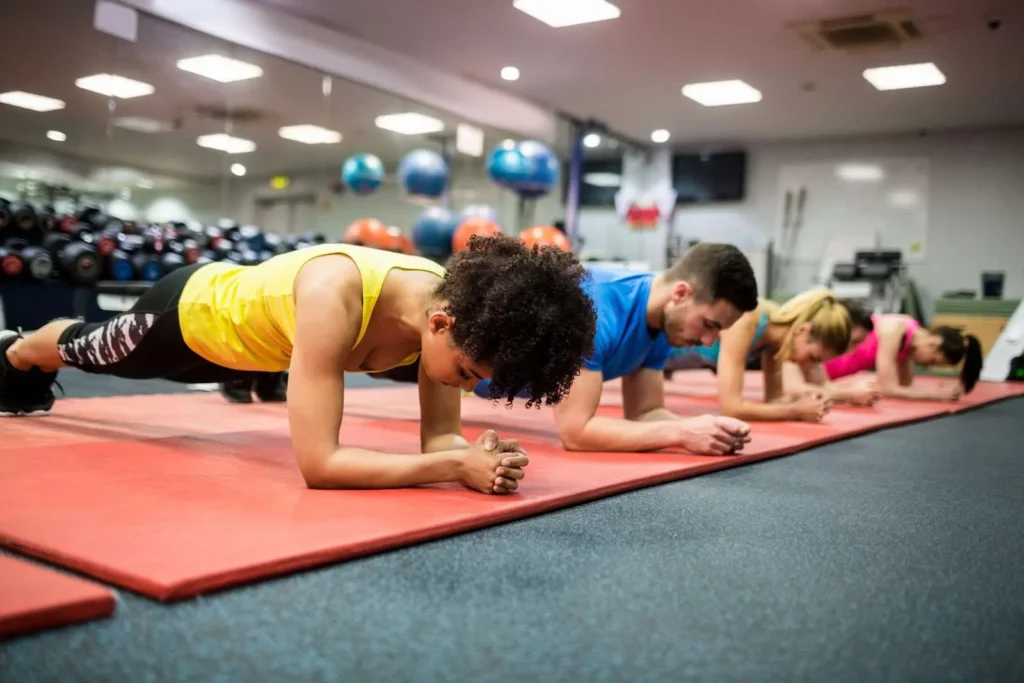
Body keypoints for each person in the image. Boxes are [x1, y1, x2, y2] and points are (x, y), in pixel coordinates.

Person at [0, 235, 598, 495]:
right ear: (440, 325)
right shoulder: (333, 296)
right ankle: (18, 346)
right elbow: (321, 463)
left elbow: (439, 438)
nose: (465, 385)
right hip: (192, 316)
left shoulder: (454, 311)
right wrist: (452, 465)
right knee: (89, 348)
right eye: (468, 373)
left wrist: (474, 456)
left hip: (259, 350)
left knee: (306, 367)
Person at [477, 242, 762, 455]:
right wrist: (681, 432)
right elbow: (575, 433)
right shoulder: (595, 309)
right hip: (457, 374)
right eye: (709, 324)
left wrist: (708, 429)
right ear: (681, 294)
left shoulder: (665, 323)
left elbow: (645, 412)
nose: (709, 341)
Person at [663, 288, 853, 422]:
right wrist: (795, 410)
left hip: (661, 360)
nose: (809, 366)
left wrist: (810, 399)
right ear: (803, 330)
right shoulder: (746, 320)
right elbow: (733, 408)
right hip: (649, 350)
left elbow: (776, 401)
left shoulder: (775, 341)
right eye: (813, 358)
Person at [807, 304, 982, 402]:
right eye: (932, 361)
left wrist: (936, 390)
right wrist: (936, 395)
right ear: (933, 344)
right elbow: (889, 389)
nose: (927, 365)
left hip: (829, 371)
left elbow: (905, 386)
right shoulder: (896, 330)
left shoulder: (909, 343)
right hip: (822, 362)